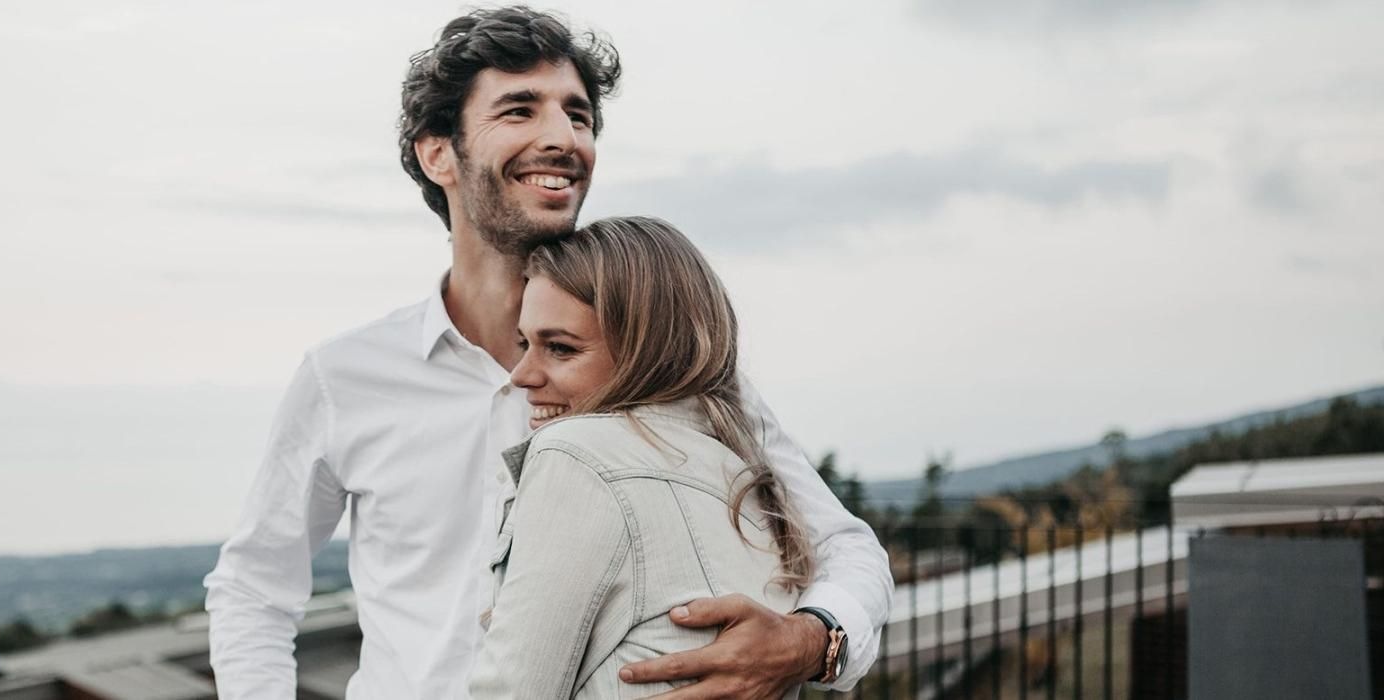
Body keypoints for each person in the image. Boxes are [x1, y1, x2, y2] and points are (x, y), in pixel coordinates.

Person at [203, 7, 892, 698]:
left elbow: (847, 547)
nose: (563, 138)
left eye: (579, 115)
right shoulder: (344, 376)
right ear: (437, 151)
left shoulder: (667, 361)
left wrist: (811, 639)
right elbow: (254, 590)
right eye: (520, 110)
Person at [471, 216, 829, 698]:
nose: (521, 375)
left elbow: (510, 691)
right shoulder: (747, 480)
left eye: (559, 348)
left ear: (647, 350)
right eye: (525, 343)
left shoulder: (577, 455)